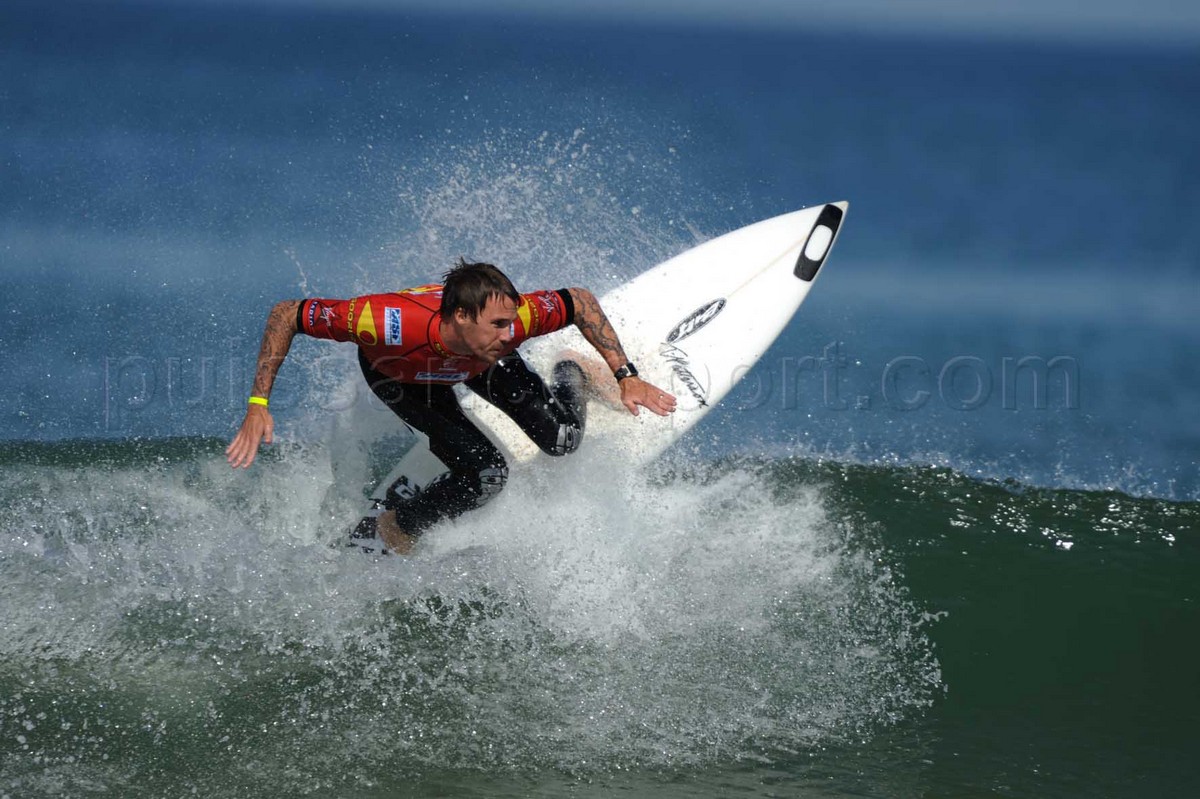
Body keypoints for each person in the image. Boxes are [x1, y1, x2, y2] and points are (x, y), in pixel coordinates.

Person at [226, 259, 676, 554]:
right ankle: (397, 526)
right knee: (486, 475)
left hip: (480, 362)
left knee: (562, 440)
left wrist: (625, 375)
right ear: (461, 315)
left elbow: (579, 301)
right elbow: (288, 313)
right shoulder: (383, 322)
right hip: (403, 376)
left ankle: (572, 370)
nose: (510, 333)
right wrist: (258, 403)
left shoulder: (510, 326)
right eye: (497, 324)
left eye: (511, 323)